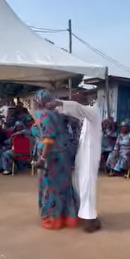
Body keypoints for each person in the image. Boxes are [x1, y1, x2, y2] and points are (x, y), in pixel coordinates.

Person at [48, 92, 102, 233]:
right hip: (82, 155)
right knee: (79, 184)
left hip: (90, 156)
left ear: (84, 99)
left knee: (87, 185)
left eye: (76, 98)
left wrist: (60, 103)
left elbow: (77, 108)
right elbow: (74, 112)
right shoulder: (85, 116)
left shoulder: (93, 111)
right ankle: (90, 216)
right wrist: (57, 107)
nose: (73, 101)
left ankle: (90, 221)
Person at [32, 90, 78, 230]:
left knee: (51, 188)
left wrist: (42, 159)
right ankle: (68, 217)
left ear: (40, 101)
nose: (34, 103)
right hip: (62, 157)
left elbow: (48, 140)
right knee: (63, 186)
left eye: (35, 100)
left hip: (53, 158)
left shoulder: (45, 116)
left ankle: (54, 220)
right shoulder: (56, 115)